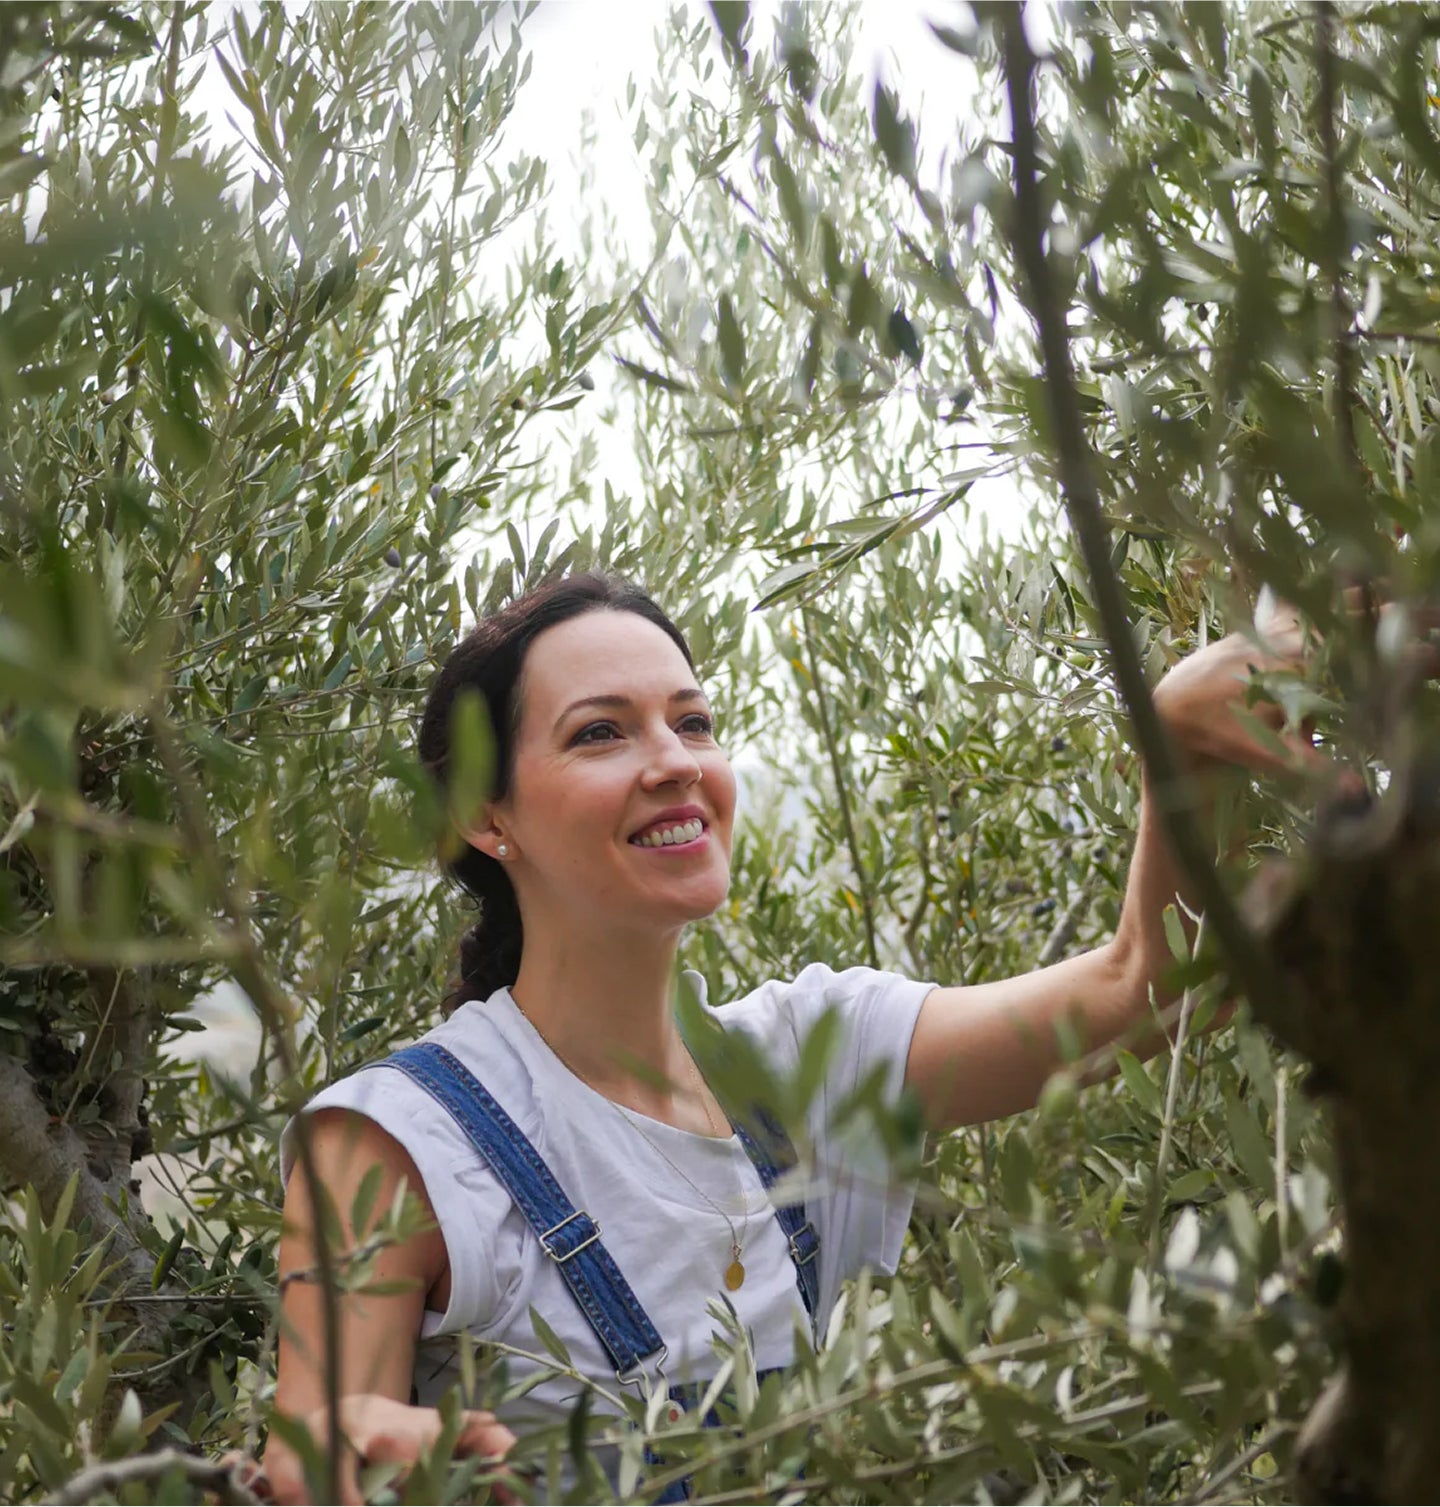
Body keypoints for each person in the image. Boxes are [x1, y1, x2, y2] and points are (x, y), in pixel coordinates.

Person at [259, 571, 1323, 1504]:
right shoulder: (401, 1140)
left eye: (694, 722)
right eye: (601, 731)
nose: (675, 761)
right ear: (487, 819)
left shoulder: (812, 1061)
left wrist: (1177, 742)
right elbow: (314, 1457)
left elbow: (1153, 986)